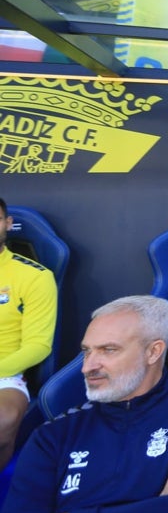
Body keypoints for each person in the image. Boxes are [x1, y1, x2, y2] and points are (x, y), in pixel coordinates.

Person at [2, 295, 168, 513]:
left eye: (108, 350)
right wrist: (154, 507)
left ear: (153, 352)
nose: (87, 366)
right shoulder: (53, 434)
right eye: (86, 351)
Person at [0, 196, 58, 469]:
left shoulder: (35, 276)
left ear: (8, 224)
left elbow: (39, 345)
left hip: (6, 375)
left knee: (3, 419)